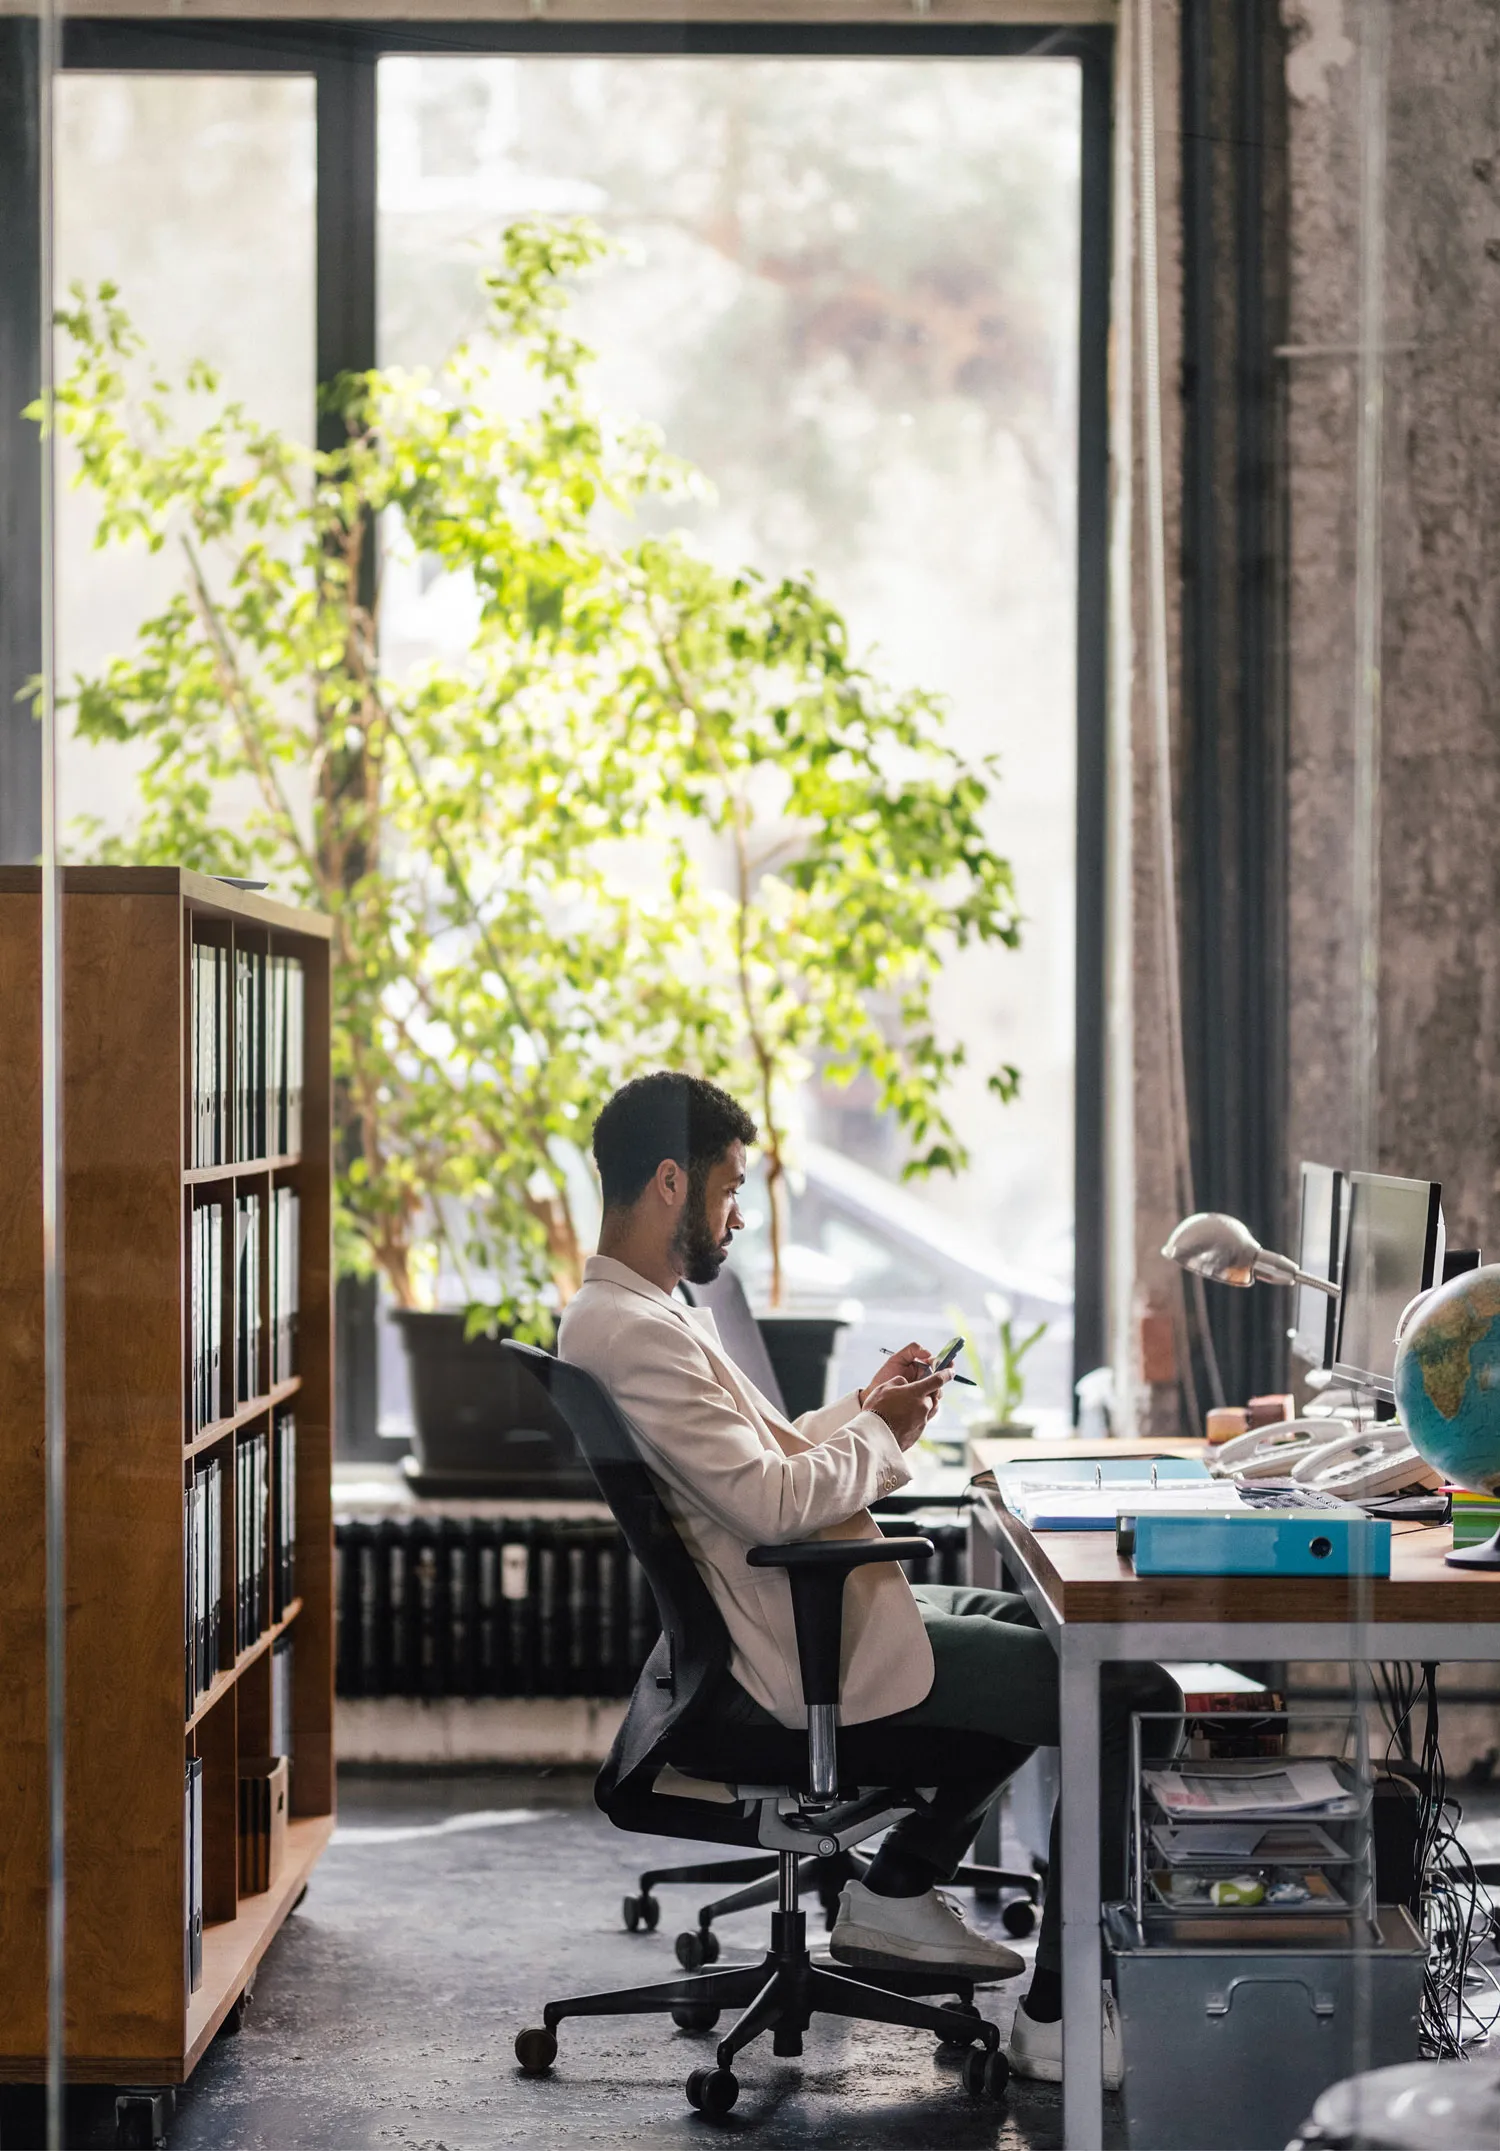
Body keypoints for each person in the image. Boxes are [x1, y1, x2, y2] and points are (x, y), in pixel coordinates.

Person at [558, 1070, 1180, 2087]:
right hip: (791, 1656)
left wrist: (868, 1407)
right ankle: (1058, 2017)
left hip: (789, 1619)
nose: (738, 1217)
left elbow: (761, 1459)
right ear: (670, 1182)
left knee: (1035, 1624)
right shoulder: (632, 1331)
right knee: (1127, 1693)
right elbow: (768, 1502)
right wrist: (884, 1441)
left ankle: (898, 1890)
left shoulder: (645, 1313)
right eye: (727, 1190)